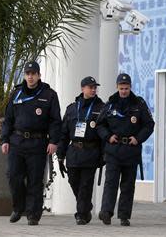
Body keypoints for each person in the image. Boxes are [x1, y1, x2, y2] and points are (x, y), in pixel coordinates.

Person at [1, 61, 62, 225]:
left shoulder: (49, 95)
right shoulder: (17, 94)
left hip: (38, 142)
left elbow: (56, 121)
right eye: (28, 74)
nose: (30, 76)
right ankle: (18, 208)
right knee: (14, 176)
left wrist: (54, 141)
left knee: (35, 180)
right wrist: (5, 139)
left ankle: (33, 214)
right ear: (25, 76)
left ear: (39, 75)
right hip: (17, 142)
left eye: (33, 74)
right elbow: (8, 119)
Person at [97, 73, 155, 226]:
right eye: (121, 88)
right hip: (113, 150)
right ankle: (106, 212)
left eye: (126, 88)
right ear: (117, 87)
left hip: (131, 150)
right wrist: (108, 136)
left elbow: (149, 124)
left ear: (130, 87)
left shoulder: (139, 103)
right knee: (111, 183)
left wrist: (138, 138)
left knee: (128, 185)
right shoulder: (110, 104)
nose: (124, 91)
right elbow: (100, 124)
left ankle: (124, 215)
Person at [56, 76, 104, 225]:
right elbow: (64, 133)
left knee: (85, 185)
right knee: (74, 181)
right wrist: (60, 154)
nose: (93, 89)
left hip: (91, 151)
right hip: (74, 152)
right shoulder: (72, 108)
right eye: (90, 87)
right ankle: (86, 205)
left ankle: (82, 214)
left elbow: (104, 134)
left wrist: (104, 155)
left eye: (95, 87)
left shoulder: (101, 108)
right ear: (82, 89)